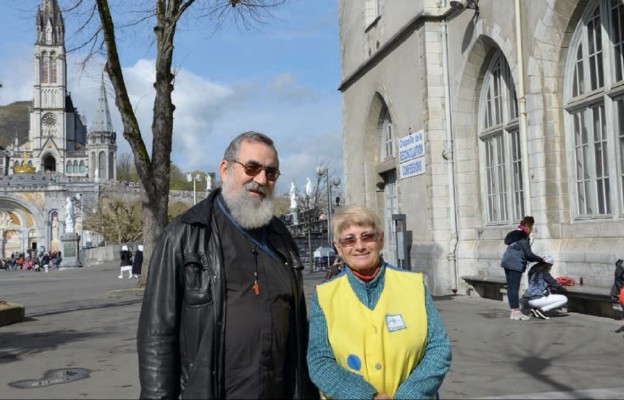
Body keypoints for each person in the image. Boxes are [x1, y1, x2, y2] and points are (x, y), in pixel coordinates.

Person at [137, 131, 318, 399]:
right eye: (252, 167)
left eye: (271, 173)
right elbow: (157, 334)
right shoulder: (184, 235)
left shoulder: (282, 237)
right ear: (225, 169)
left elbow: (298, 327)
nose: (261, 179)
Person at [307, 205, 452, 399]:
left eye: (367, 236)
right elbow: (319, 361)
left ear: (380, 240)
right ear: (338, 248)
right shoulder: (325, 296)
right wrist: (366, 396)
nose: (359, 246)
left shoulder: (414, 285)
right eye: (349, 240)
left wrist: (409, 395)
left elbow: (438, 349)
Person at [501, 216, 545, 321]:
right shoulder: (523, 238)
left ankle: (513, 311)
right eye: (531, 228)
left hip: (506, 262)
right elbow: (528, 254)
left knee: (511, 288)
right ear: (527, 227)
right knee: (514, 288)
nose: (531, 231)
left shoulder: (514, 235)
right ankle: (516, 312)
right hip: (515, 264)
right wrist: (541, 260)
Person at [521, 255, 568, 319]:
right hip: (537, 300)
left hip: (529, 300)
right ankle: (541, 310)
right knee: (564, 299)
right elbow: (554, 284)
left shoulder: (533, 270)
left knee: (548, 292)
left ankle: (535, 309)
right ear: (548, 265)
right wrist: (564, 290)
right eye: (551, 266)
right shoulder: (544, 272)